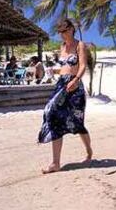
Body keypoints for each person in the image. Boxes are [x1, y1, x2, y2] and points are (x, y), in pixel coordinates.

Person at [38, 19, 92, 174]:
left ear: (71, 29)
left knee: (77, 123)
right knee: (52, 114)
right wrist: (53, 71)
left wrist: (76, 80)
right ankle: (56, 163)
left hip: (75, 87)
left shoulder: (80, 45)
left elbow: (82, 66)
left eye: (64, 31)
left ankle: (89, 151)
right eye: (60, 32)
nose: (62, 34)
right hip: (61, 85)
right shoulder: (62, 47)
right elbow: (64, 68)